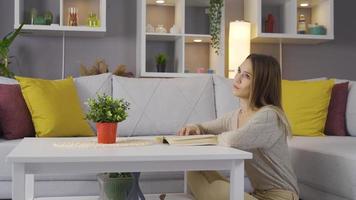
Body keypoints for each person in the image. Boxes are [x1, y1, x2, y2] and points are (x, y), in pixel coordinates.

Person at [177, 54, 299, 200]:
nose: (237, 78)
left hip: (280, 197)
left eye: (246, 76)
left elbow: (232, 140)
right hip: (257, 195)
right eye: (239, 71)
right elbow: (205, 127)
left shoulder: (269, 116)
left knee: (220, 190)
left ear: (262, 83)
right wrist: (194, 127)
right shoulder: (236, 115)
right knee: (194, 169)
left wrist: (207, 137)